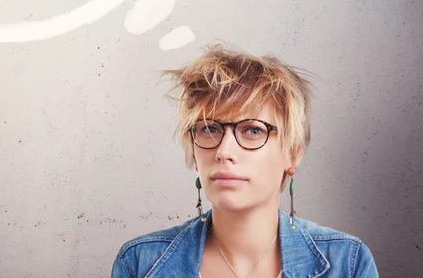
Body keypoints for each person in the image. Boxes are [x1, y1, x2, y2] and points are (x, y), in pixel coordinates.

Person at [110, 45, 379, 278]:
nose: (224, 151)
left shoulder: (346, 262)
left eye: (253, 130)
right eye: (210, 129)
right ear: (194, 152)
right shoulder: (140, 263)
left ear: (292, 153)